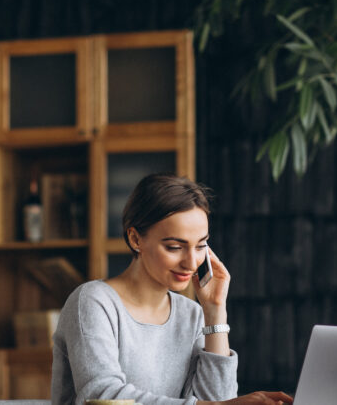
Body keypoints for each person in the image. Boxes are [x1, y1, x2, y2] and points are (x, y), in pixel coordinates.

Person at [51, 173, 293, 405]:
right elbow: (103, 397)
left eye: (201, 246)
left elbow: (216, 398)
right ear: (135, 239)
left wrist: (215, 311)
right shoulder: (93, 302)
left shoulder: (192, 315)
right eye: (175, 247)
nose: (191, 262)